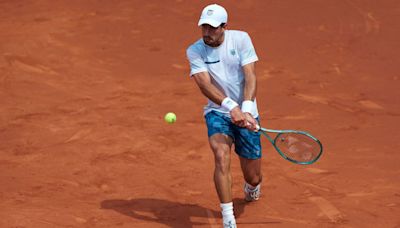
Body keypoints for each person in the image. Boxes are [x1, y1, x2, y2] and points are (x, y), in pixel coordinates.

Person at [186, 4, 263, 228]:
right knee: (221, 155)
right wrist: (231, 107)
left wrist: (246, 109)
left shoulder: (240, 40)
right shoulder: (195, 50)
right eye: (204, 27)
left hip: (247, 113)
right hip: (218, 112)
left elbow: (250, 76)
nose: (206, 33)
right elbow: (204, 84)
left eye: (212, 28)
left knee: (253, 176)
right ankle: (228, 218)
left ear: (224, 27)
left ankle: (252, 187)